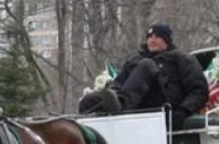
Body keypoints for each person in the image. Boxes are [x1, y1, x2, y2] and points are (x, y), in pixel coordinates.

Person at [80, 23, 208, 130]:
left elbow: (199, 90)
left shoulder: (181, 59)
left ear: (167, 40)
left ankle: (120, 106)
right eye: (150, 36)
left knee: (146, 65)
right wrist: (106, 96)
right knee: (89, 100)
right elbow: (118, 84)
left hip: (163, 107)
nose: (152, 40)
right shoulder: (134, 59)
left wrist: (183, 111)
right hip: (134, 108)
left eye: (158, 36)